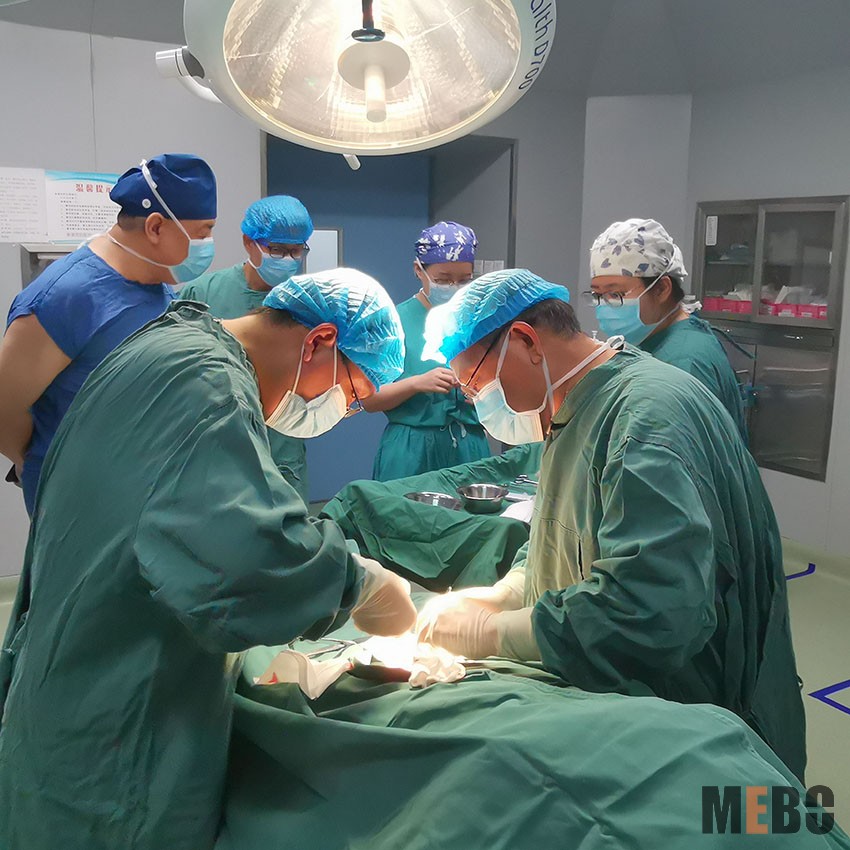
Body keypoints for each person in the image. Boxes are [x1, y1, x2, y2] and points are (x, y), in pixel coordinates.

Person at [0, 268, 417, 850]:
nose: (341, 410)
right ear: (320, 341)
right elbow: (244, 559)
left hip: (74, 667)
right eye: (351, 394)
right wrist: (357, 581)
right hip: (115, 725)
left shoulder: (169, 346)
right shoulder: (206, 386)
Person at [416, 268, 806, 782]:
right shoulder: (573, 404)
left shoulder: (645, 420)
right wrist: (511, 591)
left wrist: (492, 633)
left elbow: (652, 607)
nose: (476, 398)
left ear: (527, 341)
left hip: (684, 721)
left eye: (475, 383)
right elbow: (565, 525)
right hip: (622, 702)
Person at [0, 153, 217, 515]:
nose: (209, 243)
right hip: (79, 505)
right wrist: (48, 462)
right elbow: (4, 409)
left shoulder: (157, 283)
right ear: (155, 228)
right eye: (203, 232)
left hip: (147, 496)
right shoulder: (66, 297)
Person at [181, 195, 313, 502]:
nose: (288, 259)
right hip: (217, 443)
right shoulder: (202, 294)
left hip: (282, 448)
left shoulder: (308, 302)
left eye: (296, 250)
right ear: (248, 242)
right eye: (276, 249)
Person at [588, 218, 747, 438]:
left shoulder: (685, 361)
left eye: (616, 294)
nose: (604, 305)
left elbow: (670, 450)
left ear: (662, 288)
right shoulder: (655, 339)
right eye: (597, 294)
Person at [364, 221, 491, 481]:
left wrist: (487, 396)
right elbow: (369, 400)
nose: (454, 287)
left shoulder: (480, 321)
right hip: (411, 450)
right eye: (443, 280)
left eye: (464, 280)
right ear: (418, 270)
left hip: (469, 448)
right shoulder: (392, 323)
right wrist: (416, 383)